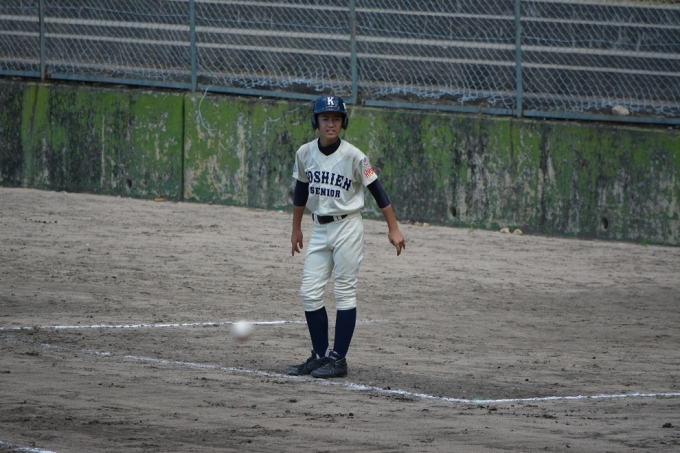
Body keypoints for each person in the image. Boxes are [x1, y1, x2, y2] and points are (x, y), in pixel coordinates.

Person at [286, 95, 405, 379]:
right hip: (319, 228)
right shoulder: (304, 153)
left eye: (336, 119)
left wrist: (393, 228)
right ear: (315, 122)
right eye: (325, 118)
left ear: (344, 123)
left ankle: (338, 359)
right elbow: (300, 191)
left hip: (348, 227)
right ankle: (320, 355)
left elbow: (378, 192)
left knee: (344, 291)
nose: (331, 124)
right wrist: (296, 228)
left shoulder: (355, 156)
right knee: (309, 293)